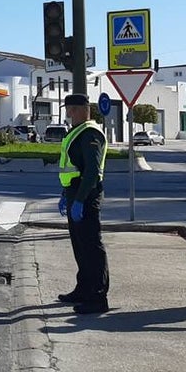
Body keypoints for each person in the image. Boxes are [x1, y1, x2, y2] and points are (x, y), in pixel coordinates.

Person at [55, 93, 110, 314]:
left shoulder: (90, 134)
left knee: (91, 247)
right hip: (75, 193)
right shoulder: (77, 132)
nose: (67, 113)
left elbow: (92, 172)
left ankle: (97, 298)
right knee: (80, 247)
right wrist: (65, 194)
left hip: (86, 196)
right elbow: (74, 166)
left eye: (69, 109)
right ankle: (83, 288)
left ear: (78, 109)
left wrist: (79, 200)